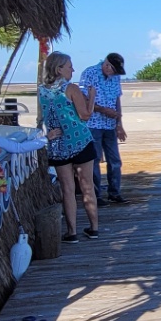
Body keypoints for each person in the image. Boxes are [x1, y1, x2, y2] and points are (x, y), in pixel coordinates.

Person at [38, 52, 99, 239]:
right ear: (59, 69)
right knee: (87, 186)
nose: (73, 69)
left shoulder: (41, 90)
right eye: (69, 66)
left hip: (58, 146)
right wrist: (92, 97)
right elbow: (85, 115)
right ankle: (94, 228)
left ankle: (71, 232)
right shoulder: (70, 88)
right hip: (80, 141)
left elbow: (43, 117)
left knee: (67, 189)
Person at [79, 52, 128, 202]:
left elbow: (116, 100)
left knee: (114, 160)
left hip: (110, 126)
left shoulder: (115, 77)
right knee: (94, 160)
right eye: (112, 70)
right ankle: (96, 195)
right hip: (93, 124)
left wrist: (119, 124)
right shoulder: (89, 73)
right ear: (106, 65)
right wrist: (103, 110)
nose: (113, 73)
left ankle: (114, 192)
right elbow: (83, 99)